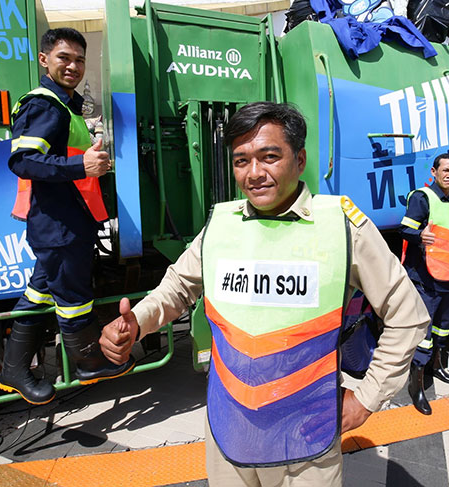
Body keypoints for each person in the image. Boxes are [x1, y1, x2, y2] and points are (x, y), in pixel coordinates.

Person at [99, 102, 429, 486]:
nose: (254, 173)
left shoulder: (341, 226)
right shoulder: (221, 226)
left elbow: (408, 315)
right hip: (229, 431)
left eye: (269, 157)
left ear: (299, 159)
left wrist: (367, 398)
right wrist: (137, 323)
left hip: (305, 440)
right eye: (241, 161)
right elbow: (177, 287)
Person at [0, 27, 133, 405]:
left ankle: (13, 369)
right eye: (64, 58)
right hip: (58, 226)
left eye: (79, 60)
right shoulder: (45, 105)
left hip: (61, 224)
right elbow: (23, 161)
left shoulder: (65, 105)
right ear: (44, 60)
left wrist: (89, 165)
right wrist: (82, 166)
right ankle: (88, 361)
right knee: (73, 299)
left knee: (38, 295)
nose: (73, 66)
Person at [398, 154, 449, 416]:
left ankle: (437, 367)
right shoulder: (422, 197)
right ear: (434, 171)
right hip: (426, 278)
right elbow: (405, 229)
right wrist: (419, 235)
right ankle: (416, 385)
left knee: (443, 328)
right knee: (423, 333)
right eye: (445, 170)